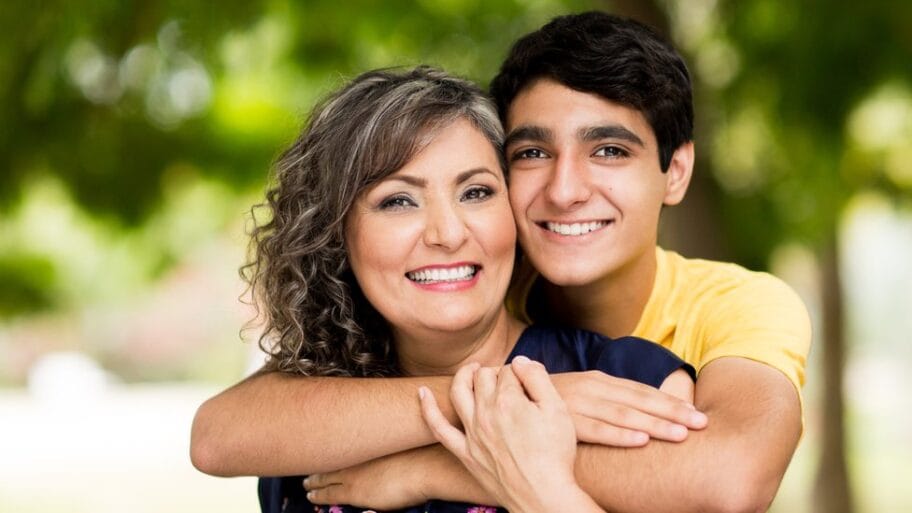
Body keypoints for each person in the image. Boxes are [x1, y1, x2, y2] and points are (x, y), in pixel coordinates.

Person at [192, 11, 811, 513]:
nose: (566, 190)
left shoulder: (692, 337)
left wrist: (450, 459)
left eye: (611, 150)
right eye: (534, 152)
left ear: (674, 171)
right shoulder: (440, 307)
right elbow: (222, 434)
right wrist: (488, 400)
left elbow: (728, 482)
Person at [231, 65, 695, 513]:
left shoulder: (628, 382)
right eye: (397, 201)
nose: (447, 234)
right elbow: (214, 438)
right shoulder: (304, 428)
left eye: (475, 192)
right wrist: (480, 400)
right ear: (334, 236)